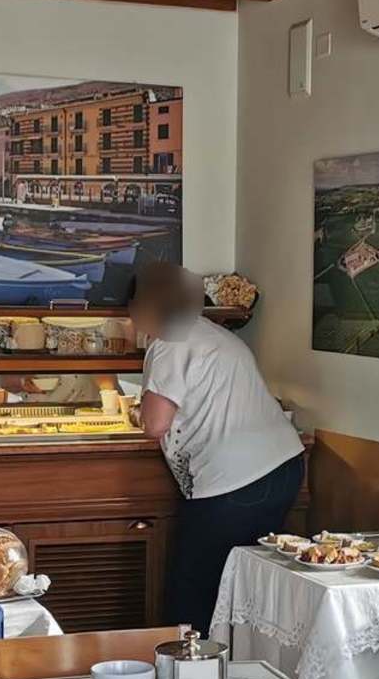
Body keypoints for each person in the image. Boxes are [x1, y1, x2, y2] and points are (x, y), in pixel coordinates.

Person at [129, 262, 304, 629]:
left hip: (234, 482)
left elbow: (155, 424)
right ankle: (239, 657)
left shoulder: (170, 340)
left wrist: (138, 412)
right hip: (284, 467)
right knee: (246, 580)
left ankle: (193, 662)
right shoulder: (211, 332)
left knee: (194, 590)